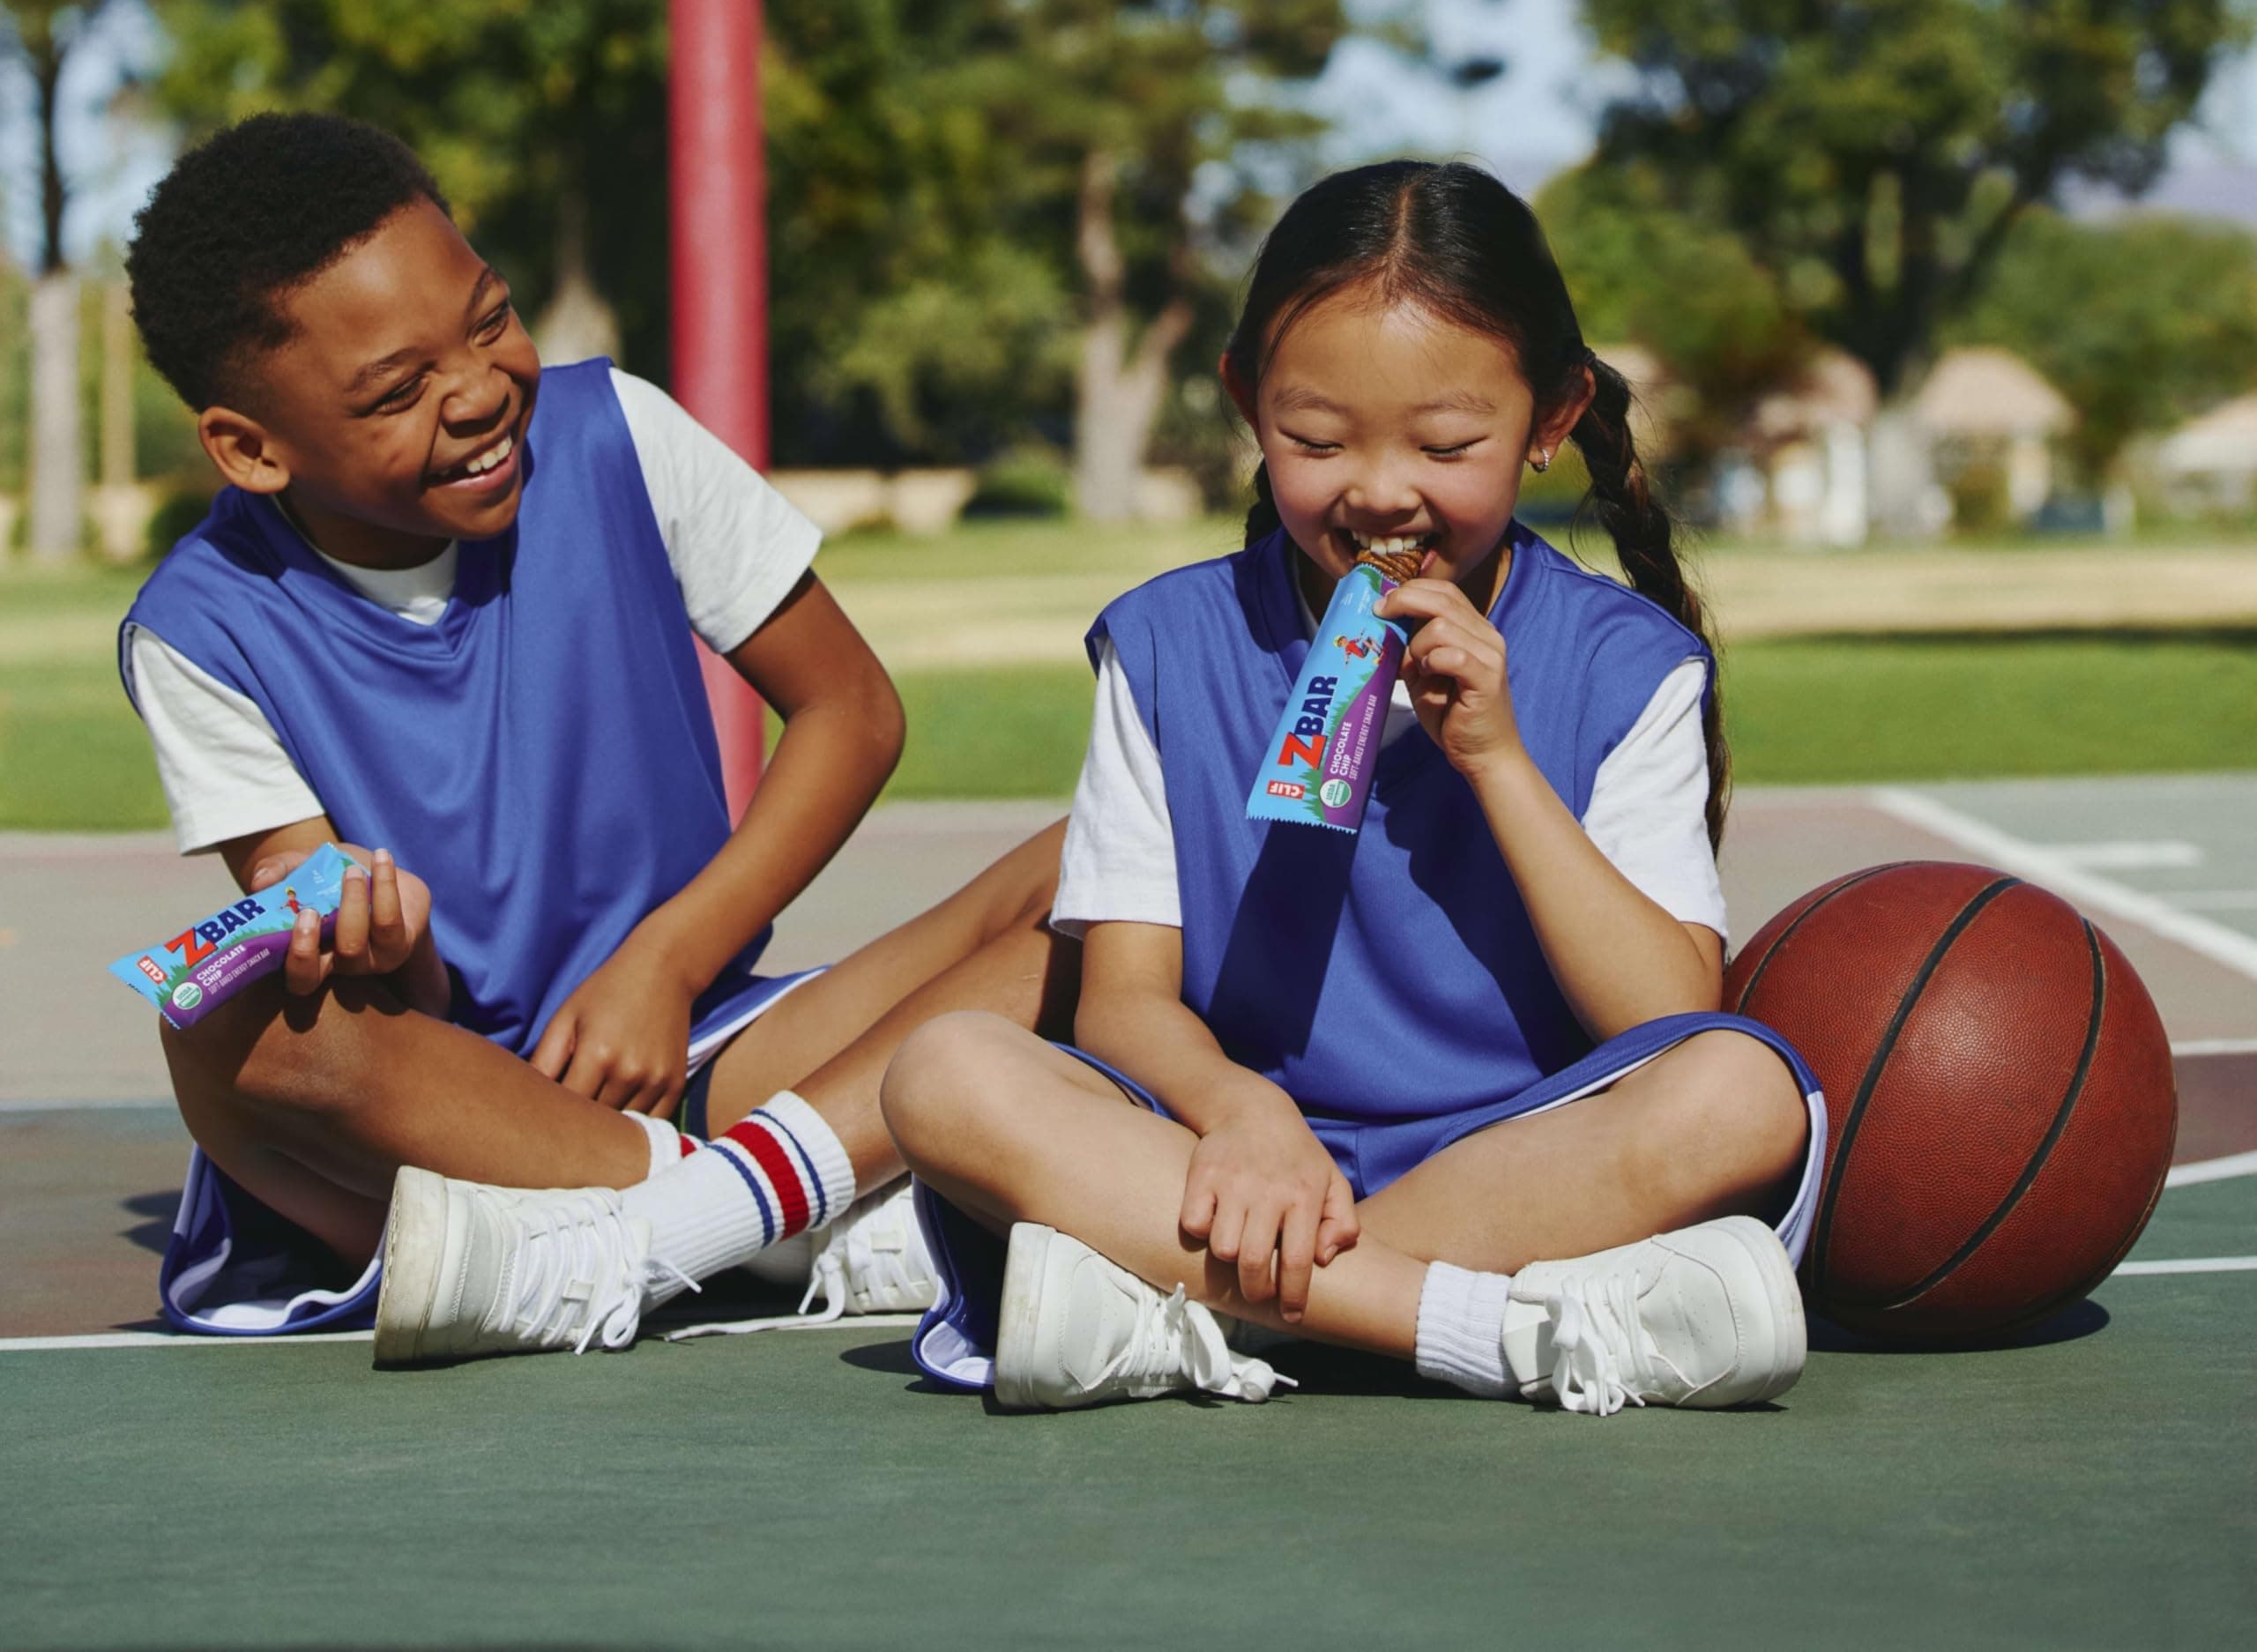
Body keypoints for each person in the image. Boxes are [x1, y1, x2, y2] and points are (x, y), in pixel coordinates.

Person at [883, 160, 1827, 1418]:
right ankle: (1487, 1332)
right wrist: (1243, 1114)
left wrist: (1496, 759)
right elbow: (1122, 1004)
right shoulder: (1166, 647)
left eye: (1446, 445)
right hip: (1222, 1156)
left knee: (1743, 1095)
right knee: (945, 1072)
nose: (1380, 490)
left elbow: (1664, 1011)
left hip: (1519, 1164)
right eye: (1317, 441)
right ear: (1246, 403)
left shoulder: (1627, 666)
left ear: (1551, 418)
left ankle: (1210, 1309)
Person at [120, 113, 1072, 1350]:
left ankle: (688, 1228)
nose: (478, 391)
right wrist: (383, 935)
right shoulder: (194, 628)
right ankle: (774, 1212)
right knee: (219, 1019)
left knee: (1097, 868)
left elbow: (852, 710)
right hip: (454, 1113)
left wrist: (666, 964)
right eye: (399, 391)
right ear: (250, 449)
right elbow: (324, 950)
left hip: (713, 1047)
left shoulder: (620, 432)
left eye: (491, 320)